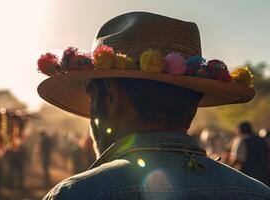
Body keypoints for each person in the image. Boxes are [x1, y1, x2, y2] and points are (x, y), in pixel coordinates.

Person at [37, 12, 270, 199]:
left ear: (110, 98)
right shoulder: (258, 193)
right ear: (194, 101)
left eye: (92, 98)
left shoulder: (75, 194)